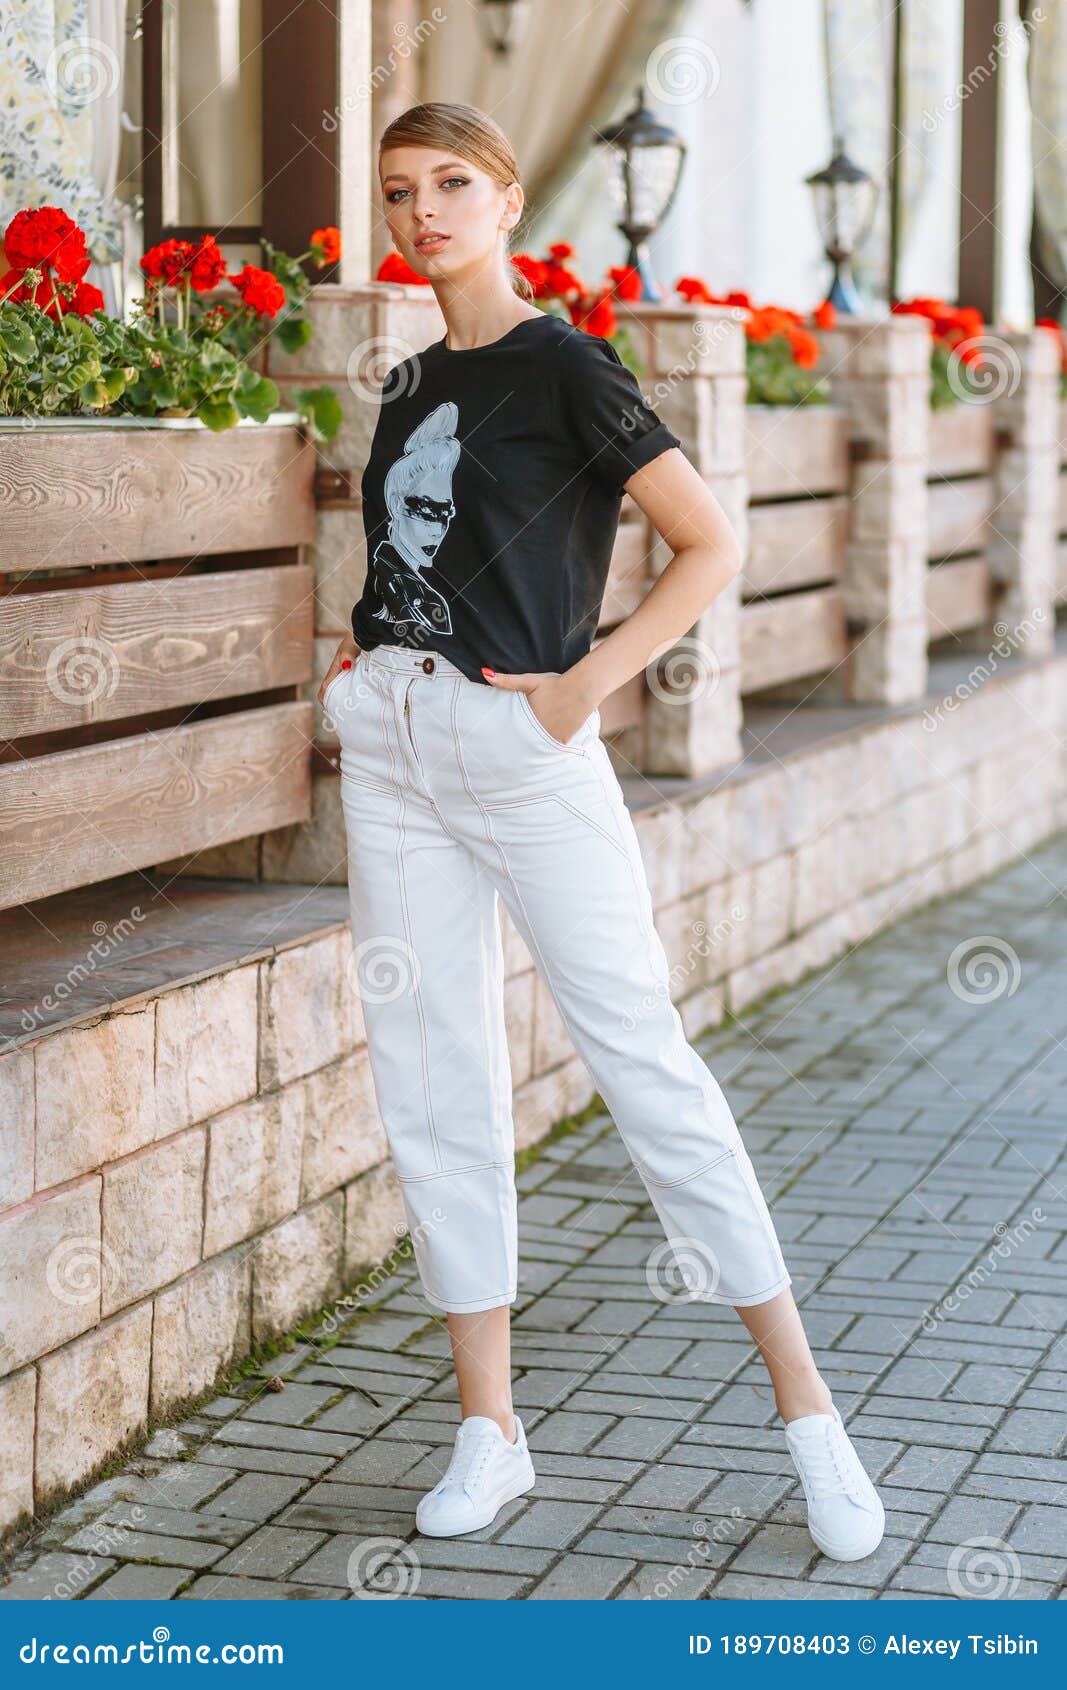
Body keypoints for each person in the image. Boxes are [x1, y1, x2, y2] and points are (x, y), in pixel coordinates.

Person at [319, 101, 884, 1564]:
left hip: (527, 754)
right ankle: (489, 1432)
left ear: (507, 199)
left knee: (643, 1059)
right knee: (433, 1072)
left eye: (451, 184)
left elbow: (711, 540)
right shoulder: (411, 379)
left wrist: (584, 688)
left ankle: (809, 1413)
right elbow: (414, 548)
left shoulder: (567, 364)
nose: (422, 210)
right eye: (399, 192)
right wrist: (365, 657)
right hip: (395, 744)